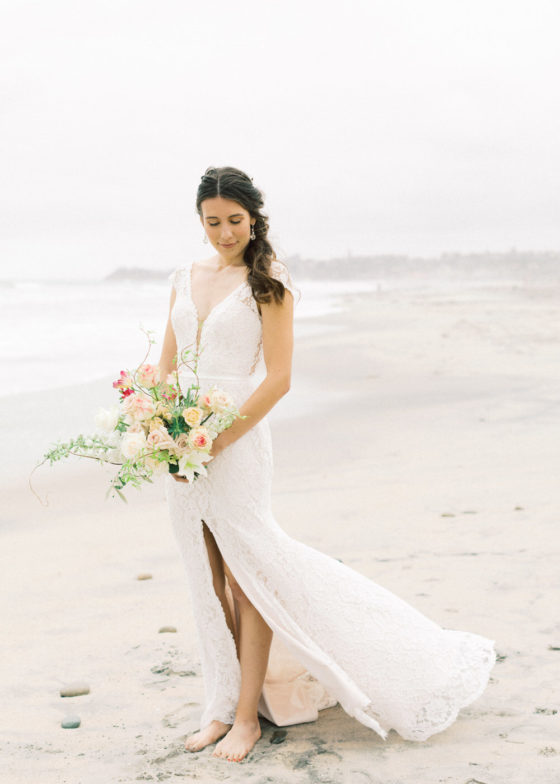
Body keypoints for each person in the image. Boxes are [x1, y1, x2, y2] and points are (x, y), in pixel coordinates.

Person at [158, 165, 497, 764]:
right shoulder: (183, 278)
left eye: (235, 220)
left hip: (237, 442)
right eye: (212, 222)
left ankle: (245, 719)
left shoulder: (269, 280)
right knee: (205, 580)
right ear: (199, 221)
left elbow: (280, 379)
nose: (224, 233)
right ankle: (221, 702)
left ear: (255, 218)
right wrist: (165, 432)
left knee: (249, 573)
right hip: (183, 444)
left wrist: (218, 440)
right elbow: (166, 364)